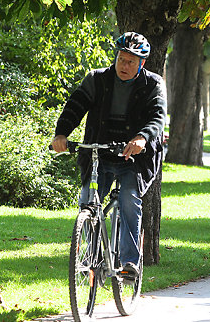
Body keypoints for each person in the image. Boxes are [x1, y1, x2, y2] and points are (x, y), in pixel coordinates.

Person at [51, 32, 167, 278]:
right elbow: (75, 105)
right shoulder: (97, 79)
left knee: (127, 199)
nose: (124, 66)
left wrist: (142, 137)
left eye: (130, 62)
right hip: (99, 153)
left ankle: (129, 262)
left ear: (141, 64)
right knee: (88, 202)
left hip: (133, 158)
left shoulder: (153, 84)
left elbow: (158, 117)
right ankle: (90, 259)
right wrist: (61, 134)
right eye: (121, 59)